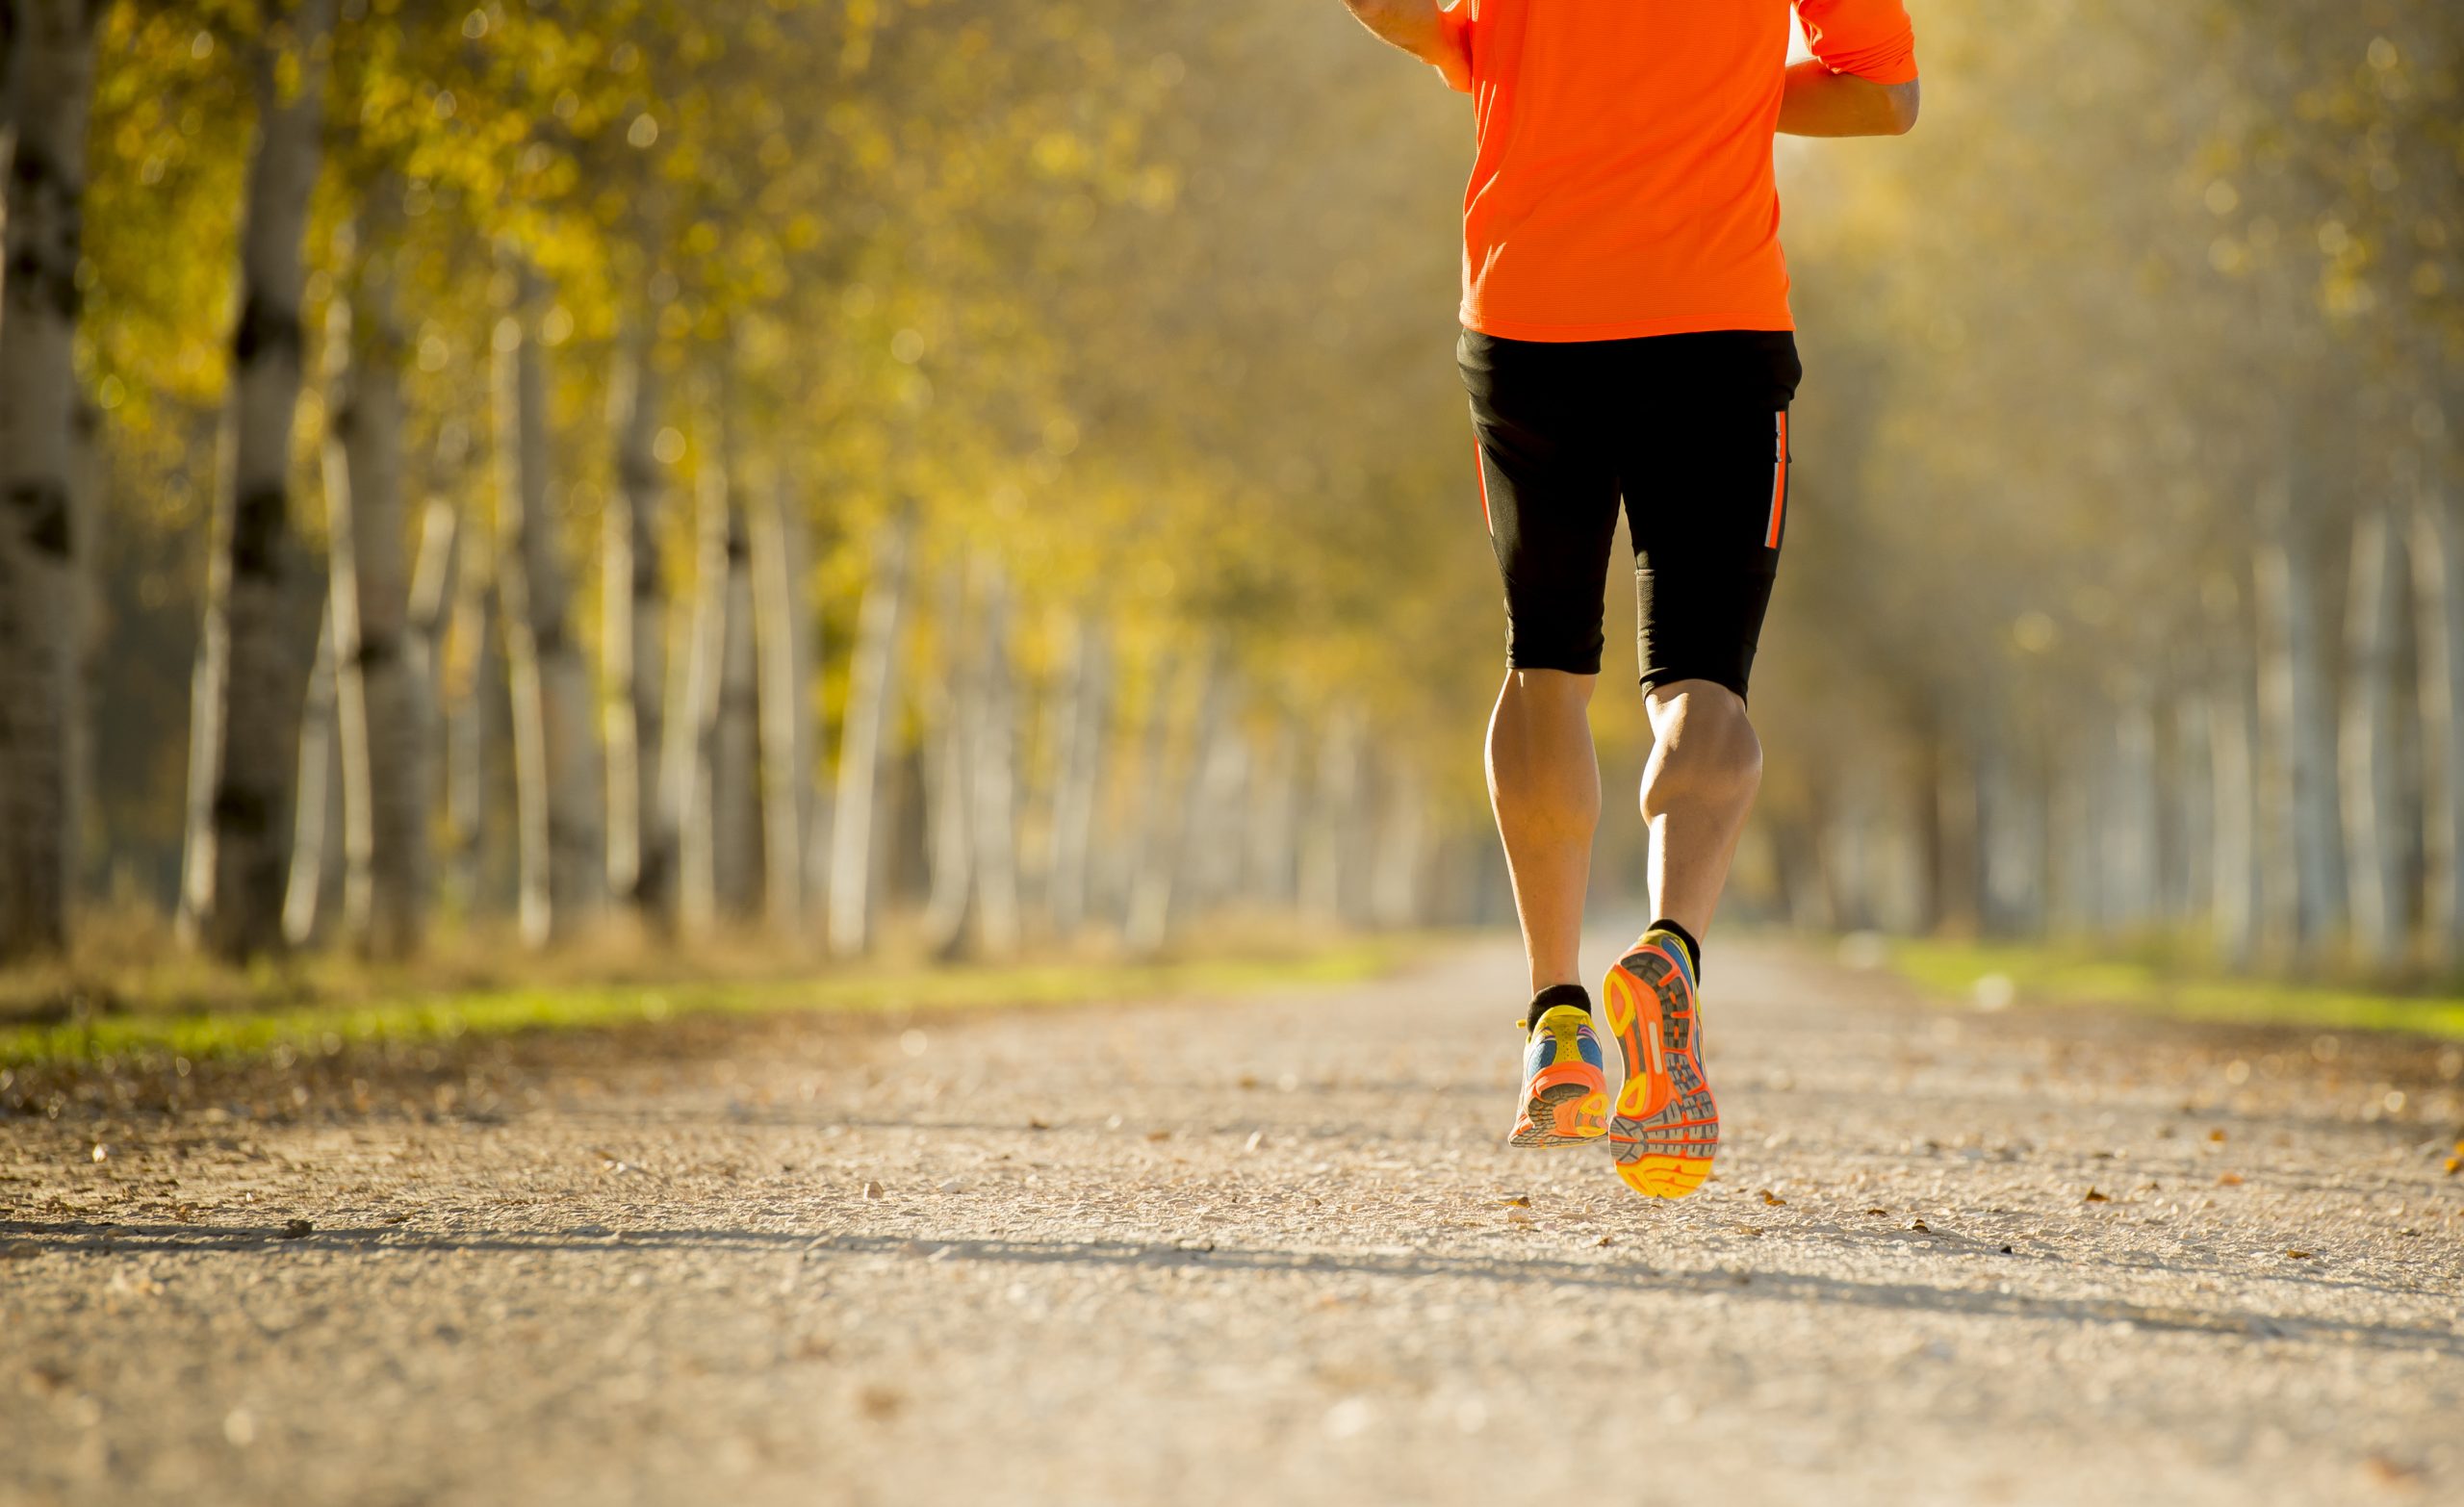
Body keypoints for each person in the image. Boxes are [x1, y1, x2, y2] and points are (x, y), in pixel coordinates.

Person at [1335, 0, 1920, 1198]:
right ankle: (1669, 954)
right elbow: (1883, 96)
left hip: (1529, 309)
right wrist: (1727, 91)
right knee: (1702, 682)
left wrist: (1494, 55)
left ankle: (1558, 1027)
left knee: (1544, 658)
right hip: (1716, 324)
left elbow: (1398, 11)